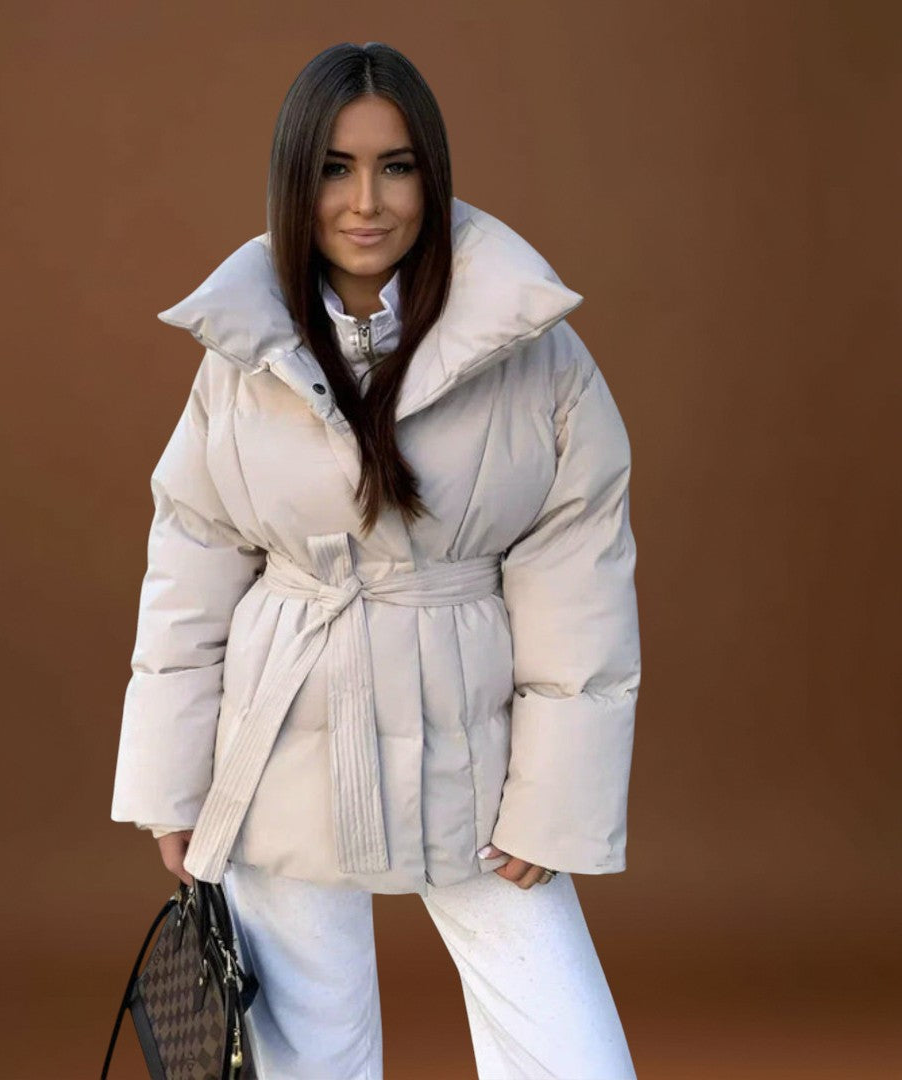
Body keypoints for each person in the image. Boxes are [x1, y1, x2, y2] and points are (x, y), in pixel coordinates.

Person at [110, 40, 641, 1080]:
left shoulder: (532, 351)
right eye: (334, 169)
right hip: (280, 737)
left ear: (432, 176)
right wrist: (171, 783)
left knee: (565, 1048)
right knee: (308, 1056)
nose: (366, 203)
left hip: (470, 745)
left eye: (395, 166)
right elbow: (191, 561)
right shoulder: (242, 351)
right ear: (293, 181)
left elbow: (580, 572)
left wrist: (557, 800)